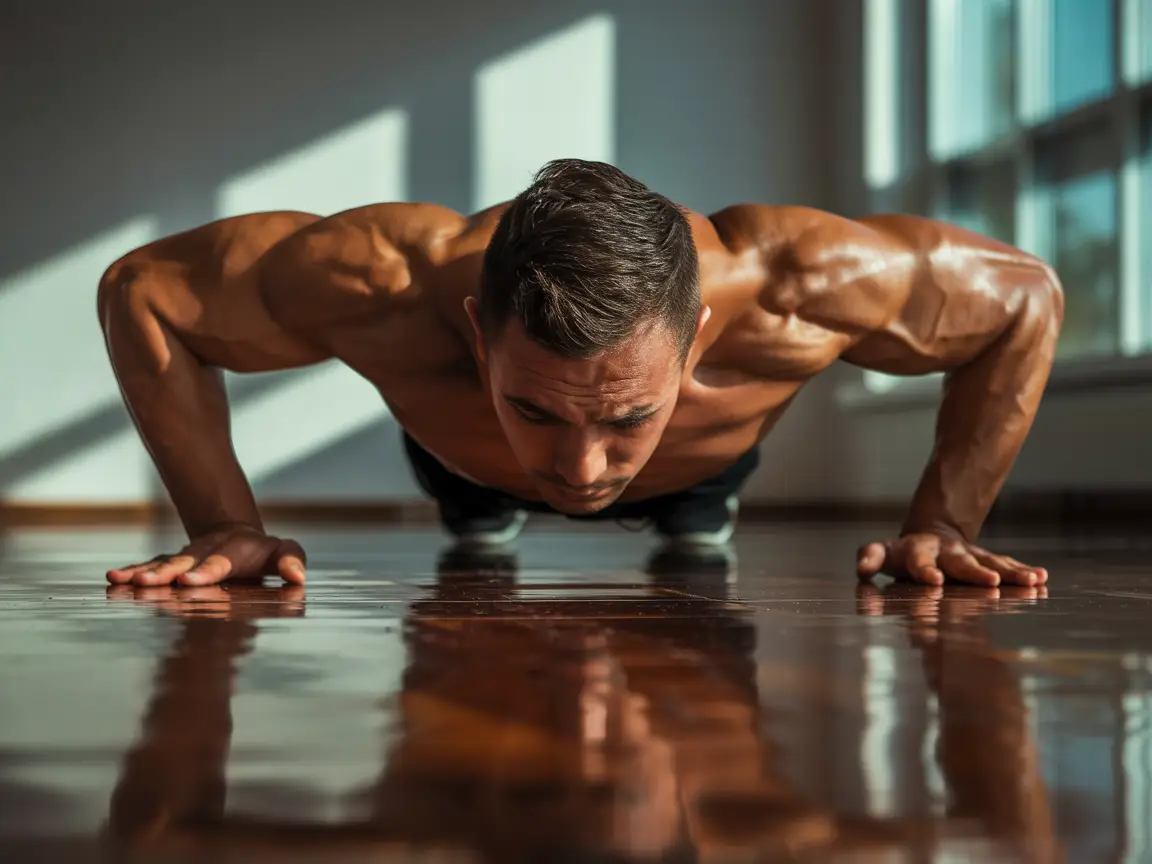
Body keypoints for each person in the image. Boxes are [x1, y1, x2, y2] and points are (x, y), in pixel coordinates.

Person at [97, 158, 1062, 589]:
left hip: (702, 467)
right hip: (463, 459)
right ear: (478, 336)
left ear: (699, 341)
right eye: (538, 407)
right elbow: (145, 290)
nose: (585, 468)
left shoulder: (801, 284)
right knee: (477, 501)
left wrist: (941, 523)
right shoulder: (380, 281)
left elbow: (1024, 298)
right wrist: (225, 523)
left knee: (691, 517)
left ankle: (693, 499)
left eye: (625, 418)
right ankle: (478, 496)